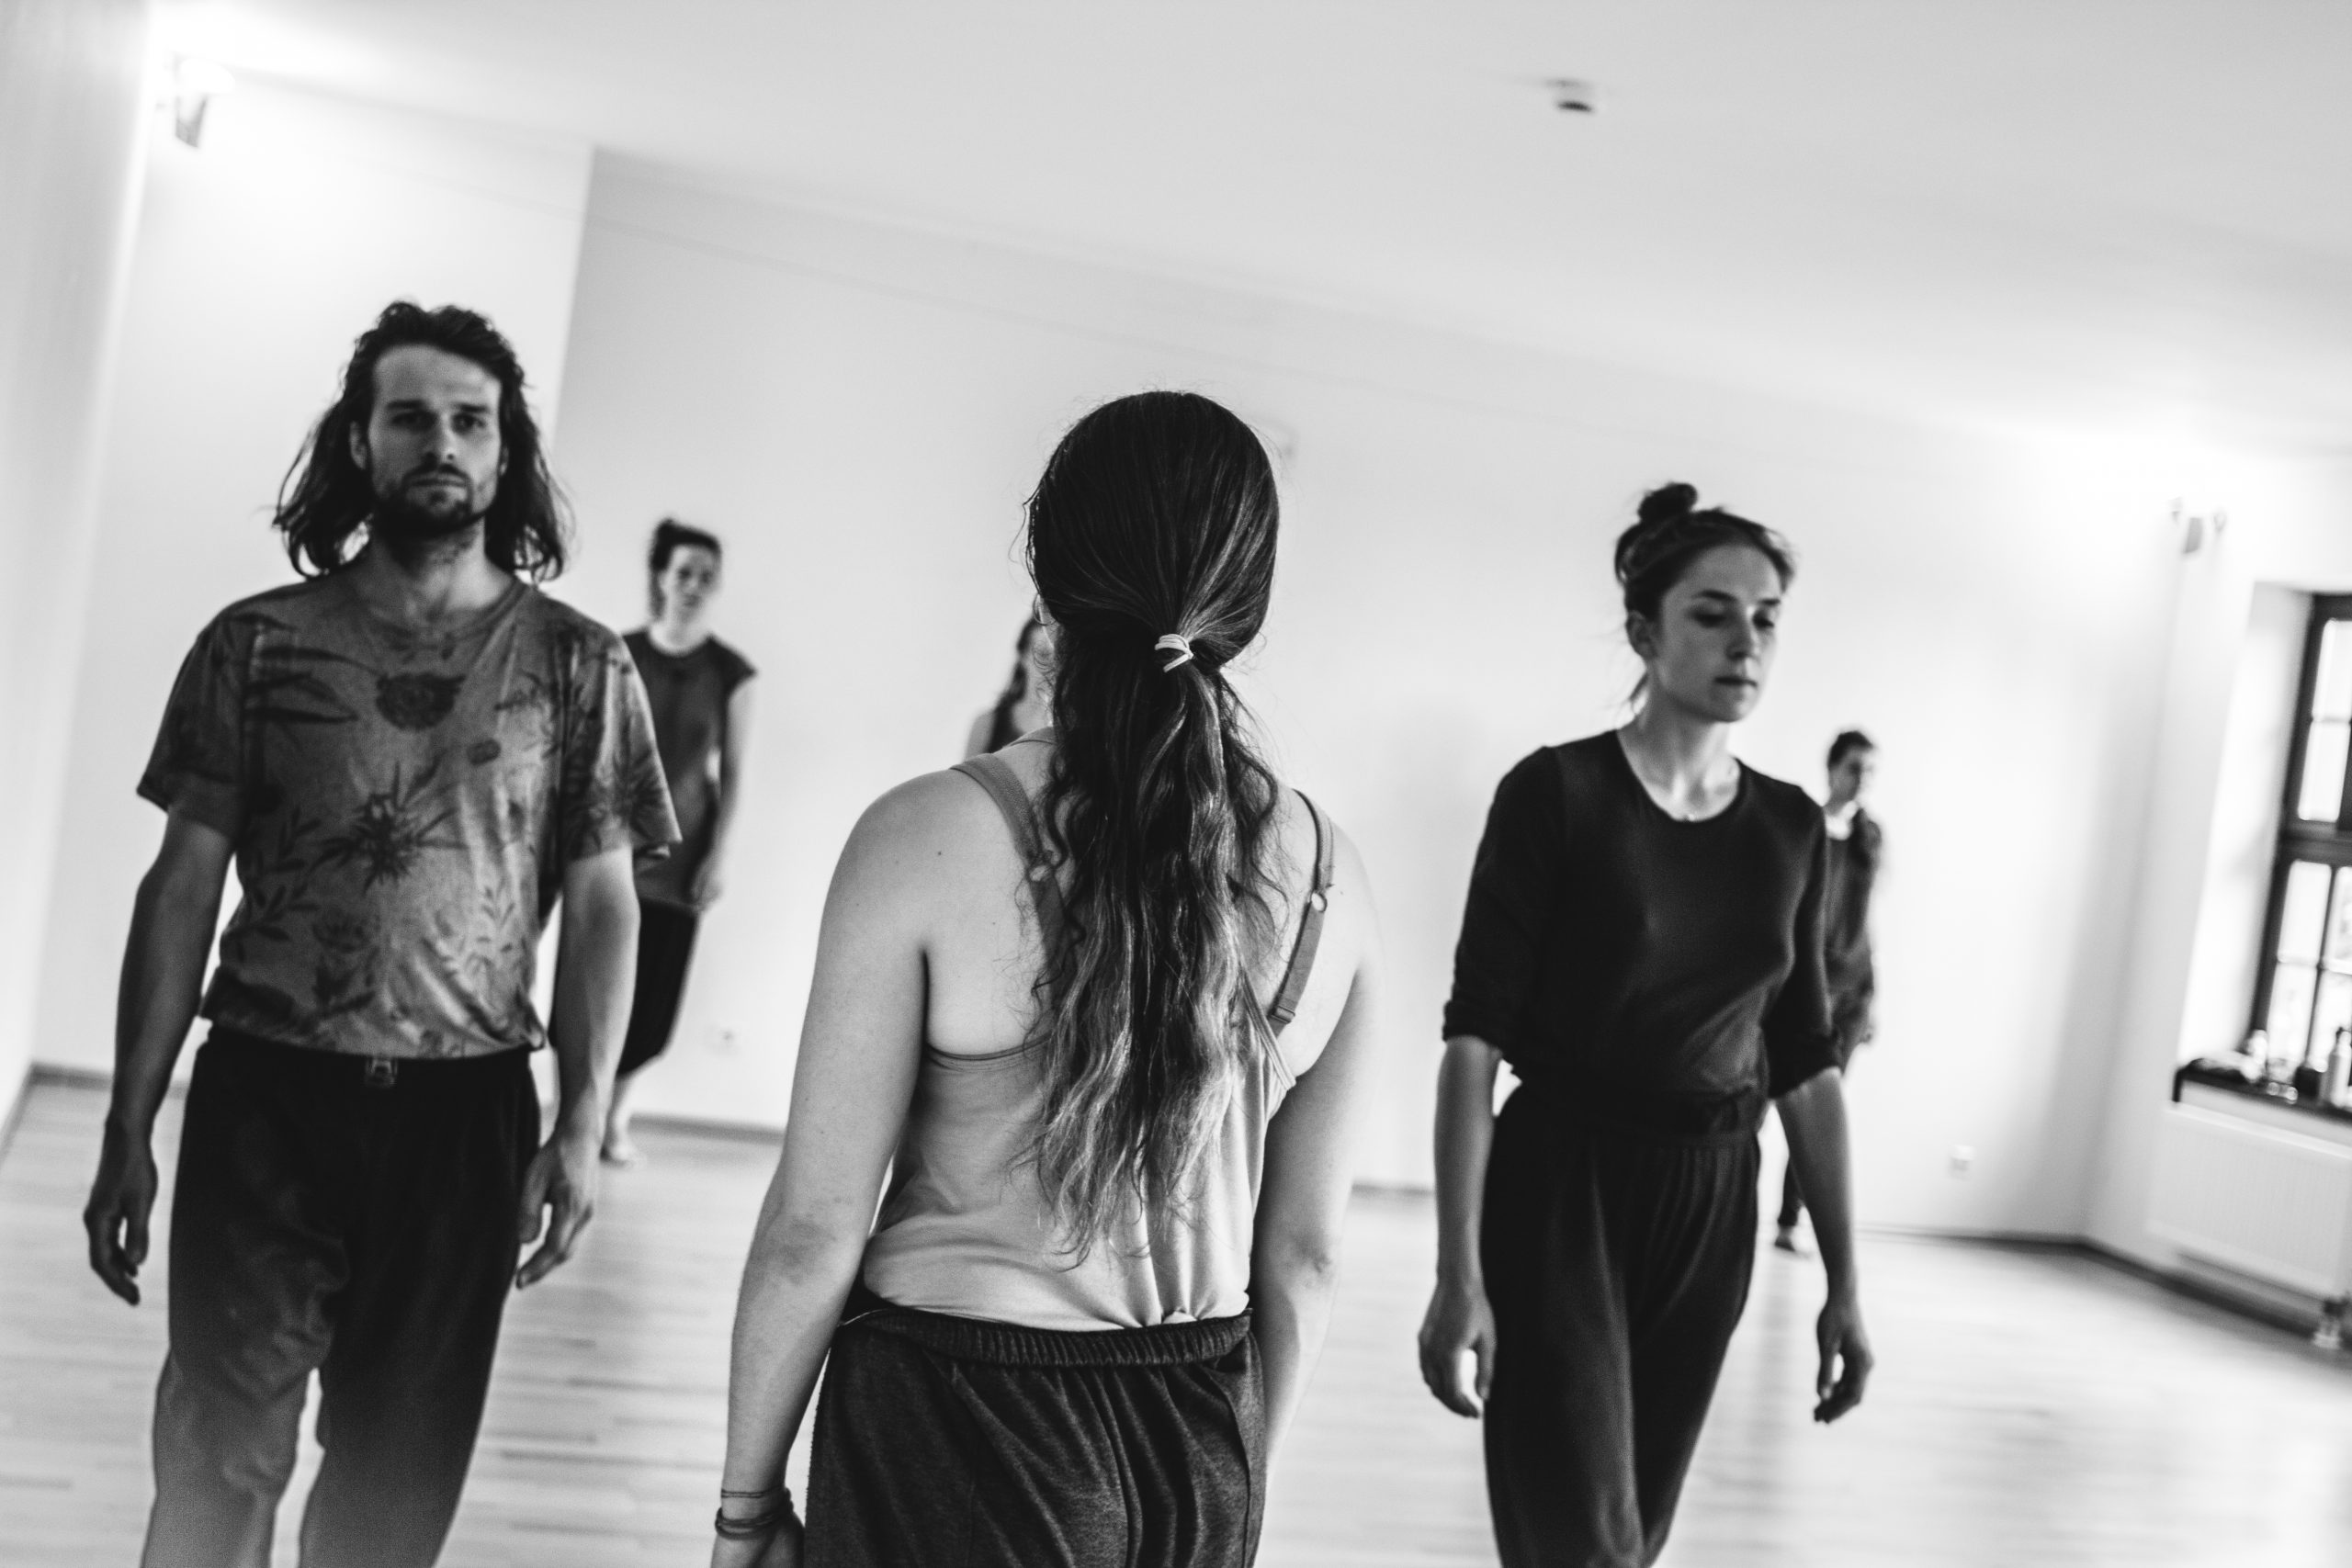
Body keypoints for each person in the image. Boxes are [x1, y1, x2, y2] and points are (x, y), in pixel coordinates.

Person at [710, 390, 1381, 1568]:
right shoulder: (1333, 872)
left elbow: (812, 1231)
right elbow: (1305, 1260)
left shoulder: (924, 837)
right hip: (1199, 1426)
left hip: (960, 1426)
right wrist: (1231, 1481)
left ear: (1047, 574)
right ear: (1249, 602)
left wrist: (746, 1512)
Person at [82, 301, 677, 1568]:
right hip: (265, 1096)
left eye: (471, 420)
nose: (441, 442)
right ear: (361, 441)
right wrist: (128, 1119)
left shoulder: (581, 667)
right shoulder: (255, 644)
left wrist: (581, 1122)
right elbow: (180, 886)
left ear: (506, 451)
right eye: (411, 417)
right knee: (215, 1460)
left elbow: (604, 907)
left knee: (395, 1487)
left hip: (462, 1118)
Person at [1418, 482, 1872, 1568]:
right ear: (1643, 632)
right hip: (1560, 1190)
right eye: (1711, 614)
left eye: (1765, 619)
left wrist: (1845, 1284)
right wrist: (1456, 1271)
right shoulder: (1555, 794)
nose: (1745, 642)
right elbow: (1473, 1043)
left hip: (1712, 1200)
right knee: (1583, 1541)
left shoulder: (1790, 828)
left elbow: (1805, 1064)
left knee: (1635, 1532)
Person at [605, 519, 758, 1165]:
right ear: (661, 578)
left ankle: (614, 1119)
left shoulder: (731, 673)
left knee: (653, 1002)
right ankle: (583, 1115)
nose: (694, 585)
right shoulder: (618, 653)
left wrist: (719, 857)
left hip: (684, 857)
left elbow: (736, 772)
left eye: (706, 575)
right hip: (612, 852)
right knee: (594, 986)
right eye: (684, 572)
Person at [1777, 729, 1882, 1254]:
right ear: (1833, 768)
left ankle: (1790, 1220)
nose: (1863, 779)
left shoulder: (1871, 837)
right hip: (1804, 987)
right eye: (1855, 767)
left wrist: (1872, 998)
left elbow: (1867, 920)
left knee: (1822, 1112)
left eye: (1871, 770)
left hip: (1852, 992)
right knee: (1770, 1101)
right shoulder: (1802, 826)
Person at [964, 614, 1056, 756]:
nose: (1051, 666)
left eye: (1059, 657)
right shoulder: (987, 724)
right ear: (1022, 656)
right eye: (1043, 655)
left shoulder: (1072, 732)